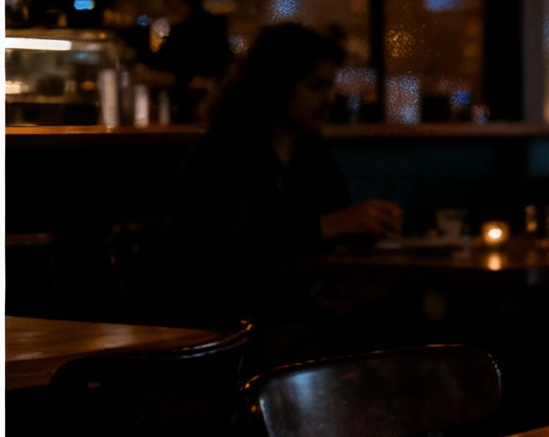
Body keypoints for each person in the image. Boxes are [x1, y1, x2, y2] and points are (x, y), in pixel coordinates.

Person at [161, 24, 402, 343]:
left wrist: (369, 225)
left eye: (331, 86)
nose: (329, 99)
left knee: (403, 318)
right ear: (276, 84)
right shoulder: (224, 150)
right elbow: (231, 252)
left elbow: (337, 218)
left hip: (298, 306)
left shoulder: (310, 149)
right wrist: (329, 226)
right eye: (316, 87)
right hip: (230, 323)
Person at [142, 0, 235, 124]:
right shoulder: (197, 25)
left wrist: (155, 76)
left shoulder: (198, 29)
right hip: (197, 111)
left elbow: (185, 74)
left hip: (195, 112)